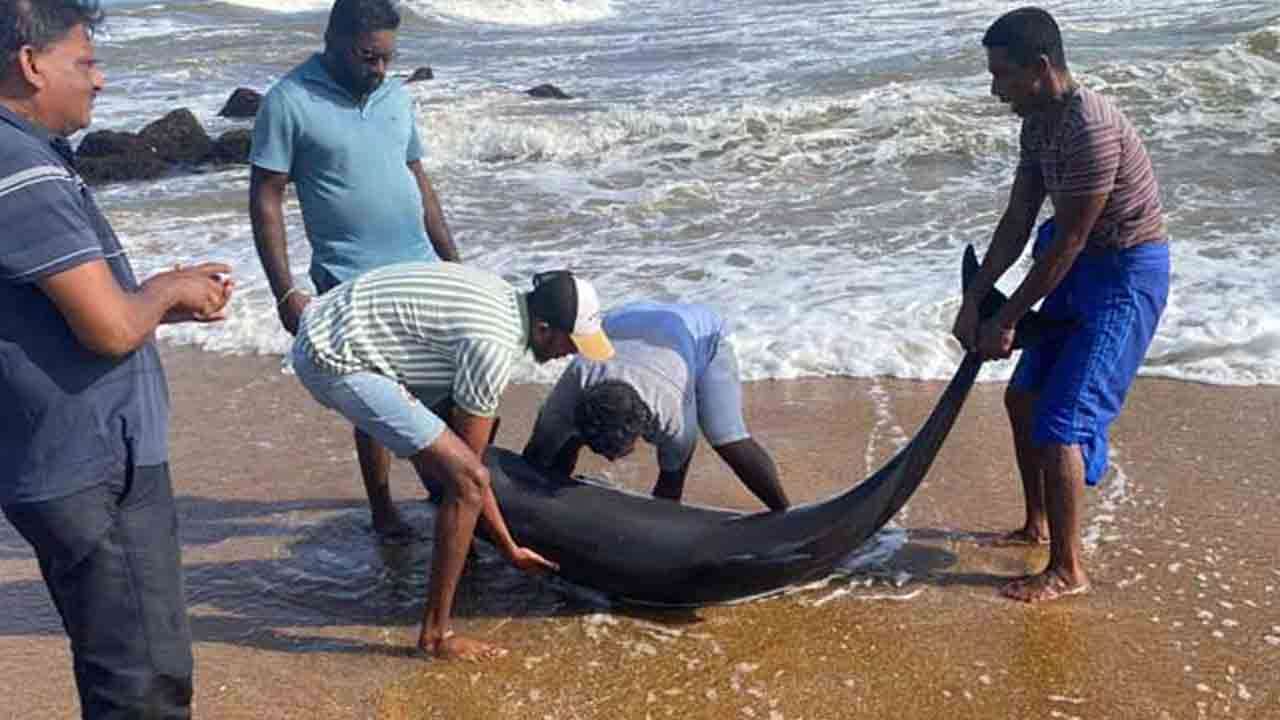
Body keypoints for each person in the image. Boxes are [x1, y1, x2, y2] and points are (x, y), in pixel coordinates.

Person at [0, 0, 235, 715]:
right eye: (86, 62)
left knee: (121, 672)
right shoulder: (20, 168)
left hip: (53, 457)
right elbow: (107, 329)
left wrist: (159, 299)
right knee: (144, 686)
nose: (99, 79)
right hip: (92, 467)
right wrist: (164, 290)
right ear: (30, 63)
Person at [951, 7, 1170, 603]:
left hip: (1123, 273)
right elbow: (1019, 219)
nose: (995, 90)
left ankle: (1068, 569)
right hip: (1076, 264)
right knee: (1022, 398)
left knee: (1062, 420)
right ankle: (1037, 524)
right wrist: (975, 299)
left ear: (1040, 68)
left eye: (1002, 75)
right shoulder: (1038, 124)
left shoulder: (1089, 127)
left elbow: (1069, 241)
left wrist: (1007, 320)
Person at [290, 262, 614, 659]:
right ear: (544, 329)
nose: (571, 354)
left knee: (453, 458)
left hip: (336, 322)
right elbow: (469, 475)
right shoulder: (493, 347)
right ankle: (436, 635)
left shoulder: (505, 298)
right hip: (332, 356)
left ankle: (432, 533)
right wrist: (508, 546)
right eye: (572, 343)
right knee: (467, 480)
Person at [249, 0, 458, 542]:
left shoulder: (396, 96)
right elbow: (266, 197)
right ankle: (383, 508)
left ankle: (447, 492)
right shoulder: (289, 100)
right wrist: (285, 292)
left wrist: (454, 264)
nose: (380, 70)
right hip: (350, 280)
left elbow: (418, 178)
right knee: (375, 398)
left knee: (442, 386)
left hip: (419, 270)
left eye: (388, 58)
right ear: (335, 41)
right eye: (369, 58)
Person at [523, 301, 790, 512]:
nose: (610, 461)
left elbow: (670, 489)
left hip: (698, 335)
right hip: (627, 318)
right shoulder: (572, 387)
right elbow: (535, 454)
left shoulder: (672, 416)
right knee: (561, 437)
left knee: (726, 437)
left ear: (644, 424)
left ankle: (785, 512)